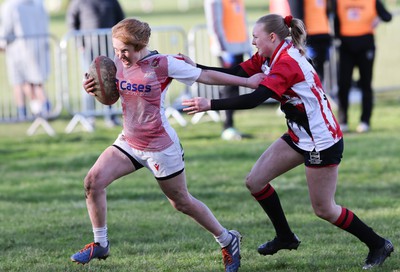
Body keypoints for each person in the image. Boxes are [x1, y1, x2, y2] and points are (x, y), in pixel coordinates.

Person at [181, 14, 394, 269]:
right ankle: (285, 237)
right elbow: (236, 72)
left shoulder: (287, 62)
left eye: (255, 37)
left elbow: (255, 98)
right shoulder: (269, 55)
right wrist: (195, 68)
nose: (252, 42)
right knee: (255, 181)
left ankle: (378, 243)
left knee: (324, 209)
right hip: (300, 135)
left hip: (321, 141)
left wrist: (210, 104)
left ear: (272, 37)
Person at [70, 17, 264, 272]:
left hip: (160, 146)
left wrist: (248, 82)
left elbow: (205, 75)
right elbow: (111, 91)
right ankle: (100, 243)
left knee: (181, 202)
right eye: (116, 50)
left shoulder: (163, 64)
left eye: (125, 51)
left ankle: (227, 239)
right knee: (92, 182)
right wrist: (93, 87)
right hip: (128, 142)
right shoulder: (117, 62)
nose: (120, 56)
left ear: (140, 45)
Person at [333, 0, 392, 133]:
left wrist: (378, 18)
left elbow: (387, 16)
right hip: (345, 47)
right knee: (343, 84)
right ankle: (343, 121)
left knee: (366, 84)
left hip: (366, 44)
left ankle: (365, 121)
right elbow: (333, 18)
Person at [66, 0, 125, 128]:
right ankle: (90, 116)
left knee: (110, 82)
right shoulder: (79, 2)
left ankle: (111, 116)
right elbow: (71, 21)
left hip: (109, 48)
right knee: (89, 82)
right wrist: (79, 43)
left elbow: (121, 20)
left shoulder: (112, 1)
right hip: (89, 49)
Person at [204, 0, 253, 140]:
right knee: (228, 88)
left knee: (235, 88)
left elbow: (242, 22)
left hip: (239, 48)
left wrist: (247, 47)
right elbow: (214, 24)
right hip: (227, 49)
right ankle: (227, 126)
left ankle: (231, 125)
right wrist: (223, 49)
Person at [0, 0, 51, 120]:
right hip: (38, 45)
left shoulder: (11, 6)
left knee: (19, 81)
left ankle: (24, 112)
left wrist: (2, 44)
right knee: (36, 82)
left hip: (19, 49)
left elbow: (6, 29)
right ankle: (43, 108)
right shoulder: (39, 3)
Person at [288, 0, 332, 84]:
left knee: (320, 69)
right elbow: (297, 13)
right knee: (309, 69)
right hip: (309, 35)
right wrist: (301, 35)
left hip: (324, 33)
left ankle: (319, 90)